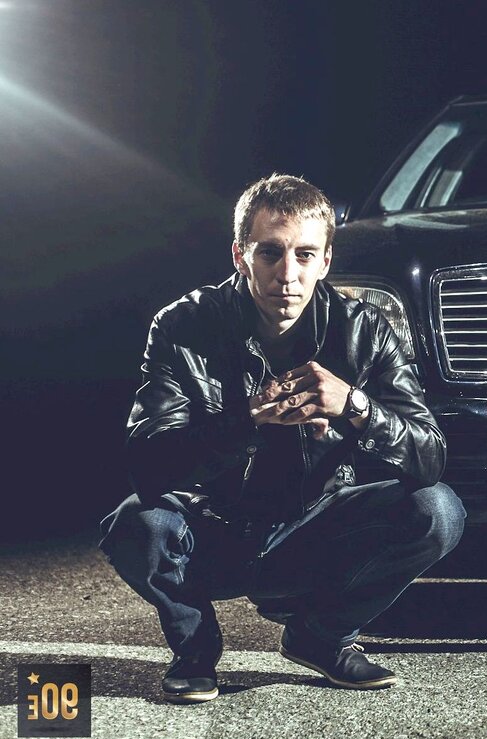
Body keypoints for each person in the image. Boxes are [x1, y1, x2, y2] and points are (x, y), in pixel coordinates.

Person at [99, 174, 465, 703]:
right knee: (138, 523)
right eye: (270, 252)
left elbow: (429, 455)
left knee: (438, 510)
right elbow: (147, 461)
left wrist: (355, 407)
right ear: (240, 256)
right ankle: (195, 650)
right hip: (215, 529)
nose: (287, 274)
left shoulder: (364, 330)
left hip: (312, 532)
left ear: (326, 261)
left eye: (304, 254)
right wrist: (247, 421)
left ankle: (322, 637)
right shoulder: (184, 325)